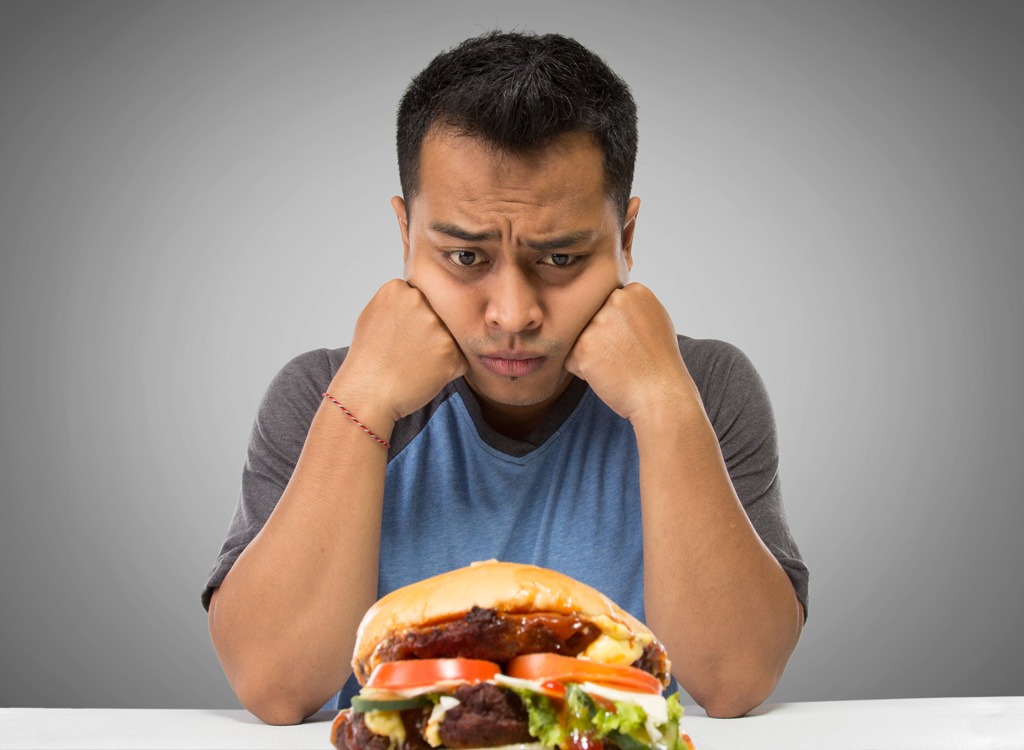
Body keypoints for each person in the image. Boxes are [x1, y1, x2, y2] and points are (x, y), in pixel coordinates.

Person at [202, 30, 808, 726]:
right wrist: (363, 398)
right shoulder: (319, 395)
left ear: (627, 239)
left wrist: (664, 404)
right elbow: (274, 689)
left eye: (560, 259)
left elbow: (735, 681)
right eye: (464, 256)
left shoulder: (705, 386)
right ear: (405, 236)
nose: (513, 315)